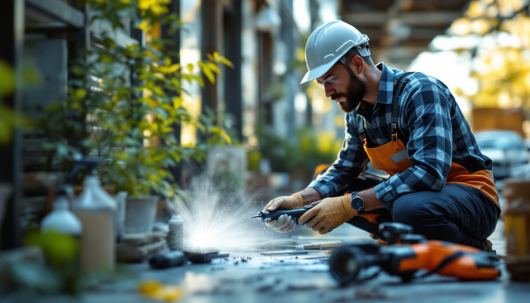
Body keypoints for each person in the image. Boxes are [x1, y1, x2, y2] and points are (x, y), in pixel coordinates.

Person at [263, 20, 500, 251]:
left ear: (357, 65)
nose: (327, 92)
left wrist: (350, 204)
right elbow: (345, 169)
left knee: (408, 208)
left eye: (331, 79)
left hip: (473, 198)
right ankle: (404, 238)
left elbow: (430, 174)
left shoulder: (421, 91)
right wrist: (298, 201)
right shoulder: (356, 113)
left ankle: (474, 248)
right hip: (419, 199)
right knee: (329, 185)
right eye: (321, 83)